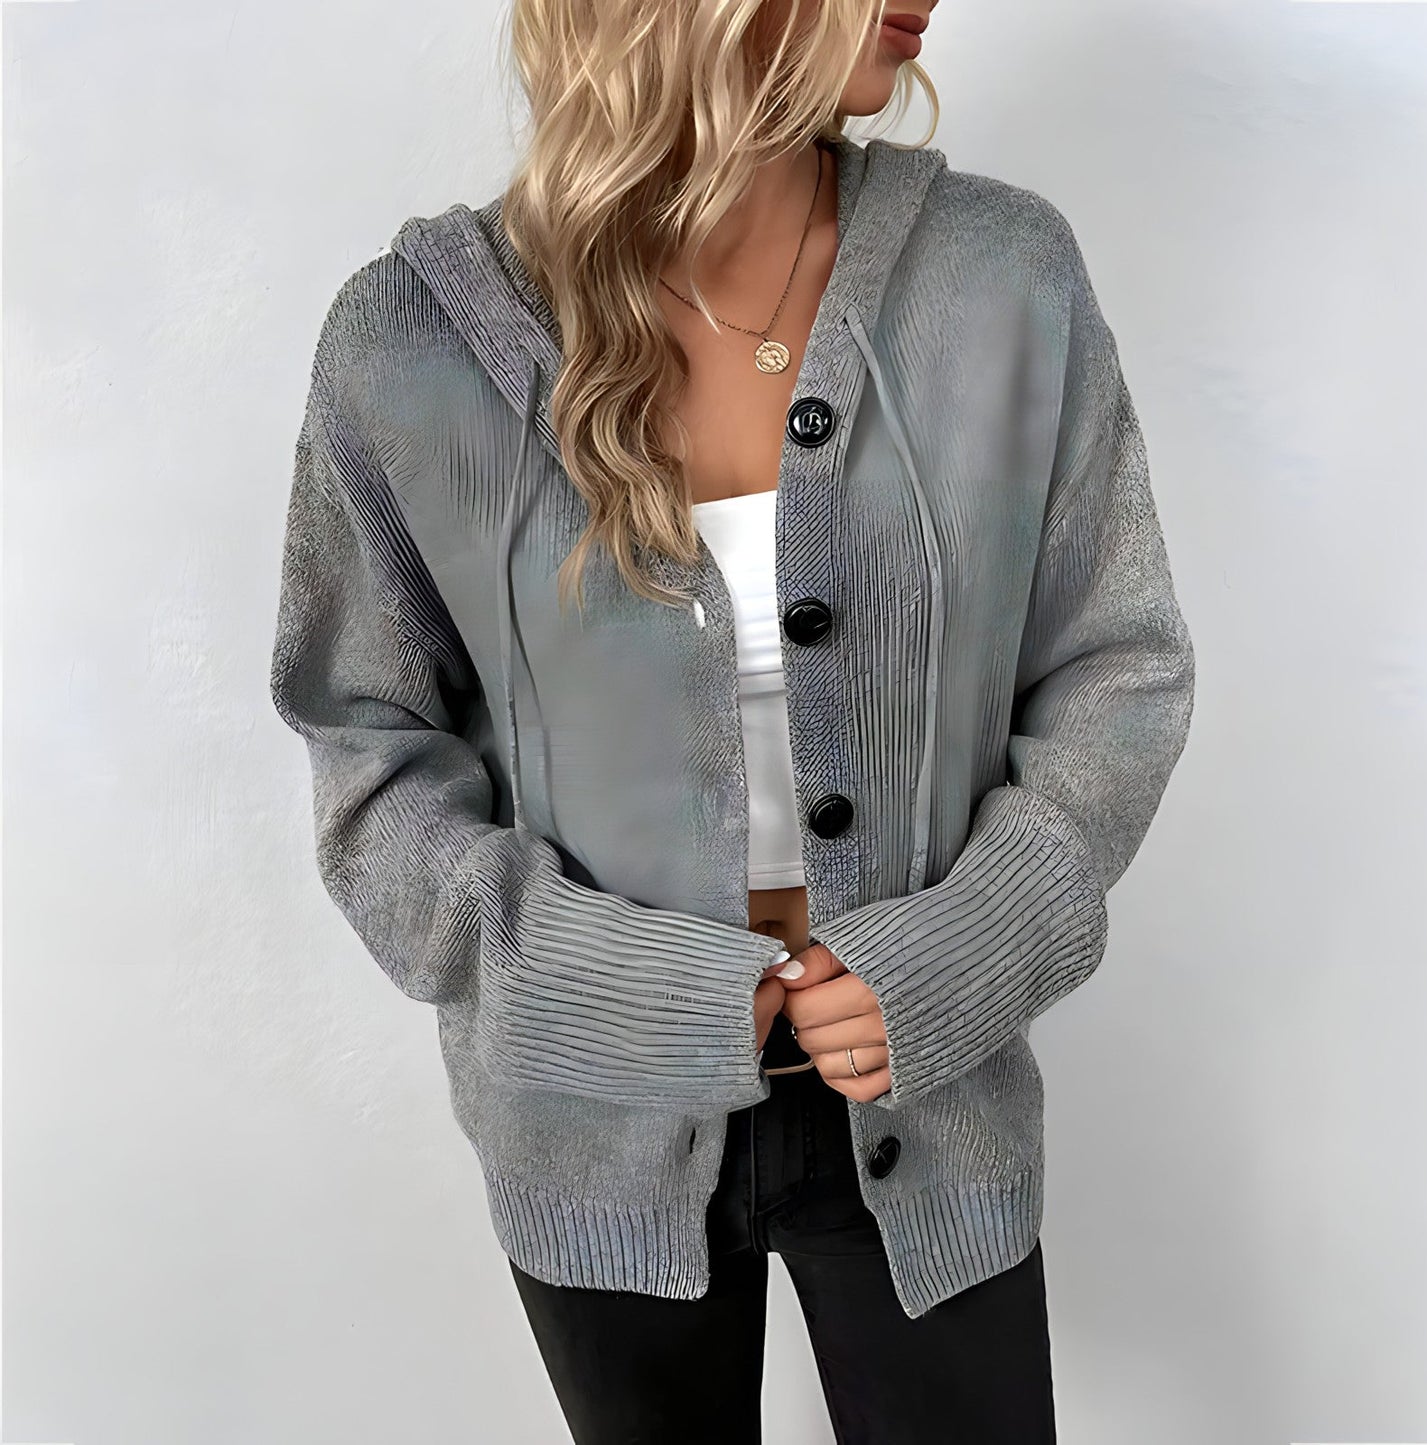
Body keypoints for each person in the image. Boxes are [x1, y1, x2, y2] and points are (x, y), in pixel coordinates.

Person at [268, 0, 1196, 1438]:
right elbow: (369, 752)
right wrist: (610, 985)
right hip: (591, 1118)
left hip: (930, 1087)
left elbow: (1115, 668)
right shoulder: (412, 343)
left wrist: (967, 946)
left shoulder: (1001, 276)